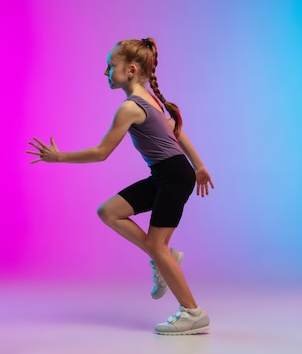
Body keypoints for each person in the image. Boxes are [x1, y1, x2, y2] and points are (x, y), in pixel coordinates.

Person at [27, 37, 214, 335]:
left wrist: (59, 156)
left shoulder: (130, 107)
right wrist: (200, 166)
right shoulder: (150, 98)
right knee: (110, 211)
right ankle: (164, 258)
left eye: (110, 66)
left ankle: (192, 312)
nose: (105, 72)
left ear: (130, 69)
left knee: (156, 244)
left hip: (174, 176)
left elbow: (102, 153)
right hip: (169, 174)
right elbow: (178, 133)